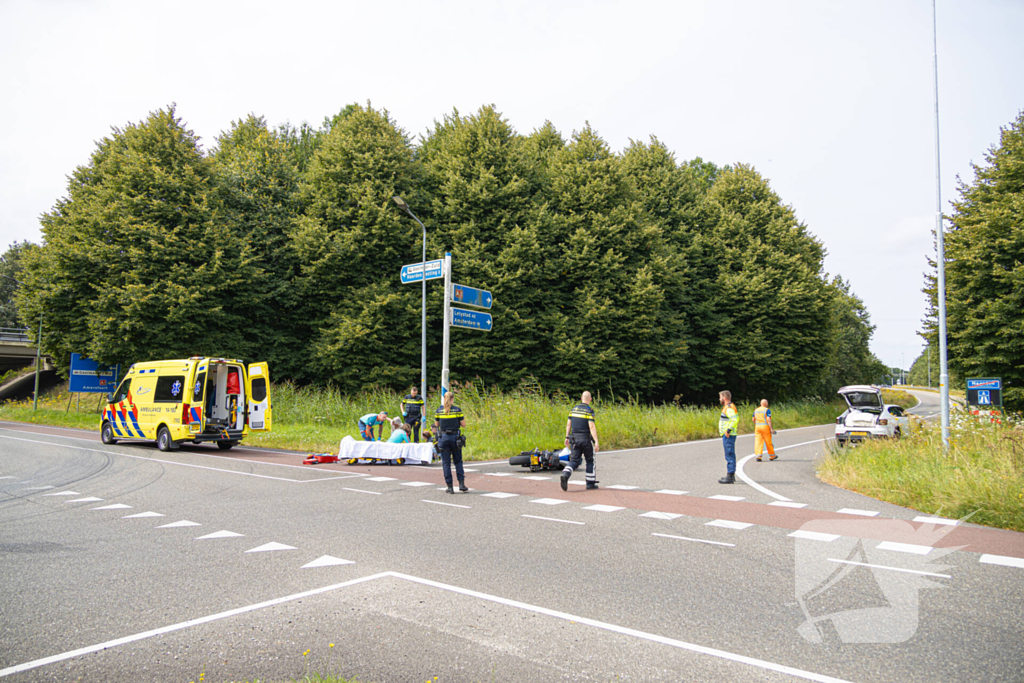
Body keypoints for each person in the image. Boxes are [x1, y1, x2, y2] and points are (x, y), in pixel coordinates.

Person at [560, 391, 600, 491]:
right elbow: (591, 426)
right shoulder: (589, 411)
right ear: (590, 399)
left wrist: (567, 437)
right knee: (590, 460)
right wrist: (596, 441)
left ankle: (565, 474)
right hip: (586, 440)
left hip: (574, 440)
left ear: (581, 398)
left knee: (574, 461)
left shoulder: (573, 410)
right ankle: (590, 483)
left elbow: (568, 424)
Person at [433, 391, 467, 493]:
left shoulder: (439, 410)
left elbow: (436, 424)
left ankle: (450, 487)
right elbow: (463, 424)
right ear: (452, 399)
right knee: (458, 461)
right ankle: (461, 484)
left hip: (443, 438)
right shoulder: (457, 410)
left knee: (446, 463)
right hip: (455, 438)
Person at [718, 390, 739, 484]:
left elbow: (735, 420)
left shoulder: (729, 408)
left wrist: (728, 430)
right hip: (727, 435)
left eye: (720, 397)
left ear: (725, 398)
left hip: (728, 435)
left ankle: (730, 476)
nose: (720, 399)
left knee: (729, 454)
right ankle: (730, 475)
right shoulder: (727, 407)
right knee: (729, 454)